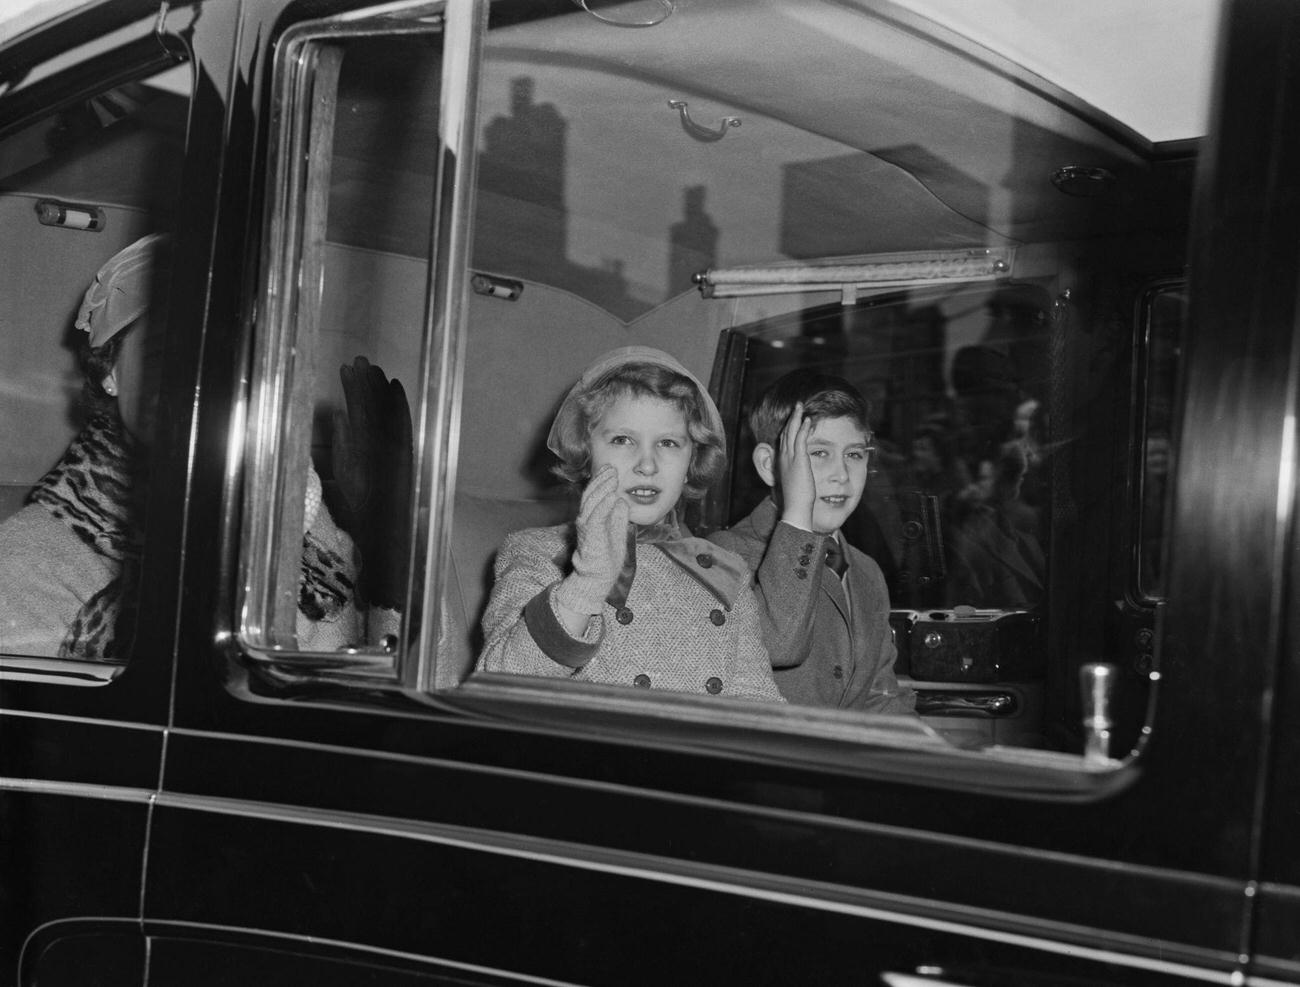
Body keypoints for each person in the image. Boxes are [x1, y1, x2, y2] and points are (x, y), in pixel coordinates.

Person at [0, 233, 404, 659]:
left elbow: (401, 697)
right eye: (171, 352)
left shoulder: (306, 520)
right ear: (110, 372)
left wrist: (392, 541)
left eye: (229, 355)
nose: (203, 381)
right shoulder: (30, 558)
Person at [477, 346, 783, 702]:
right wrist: (584, 586)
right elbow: (500, 687)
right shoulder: (538, 553)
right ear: (586, 452)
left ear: (692, 462)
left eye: (668, 443)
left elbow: (759, 703)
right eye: (623, 440)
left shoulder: (724, 571)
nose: (647, 465)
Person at [709, 370, 915, 713]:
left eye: (855, 454)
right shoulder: (723, 556)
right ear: (769, 465)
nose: (841, 474)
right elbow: (779, 642)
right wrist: (798, 514)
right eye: (819, 453)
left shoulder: (866, 572)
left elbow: (880, 698)